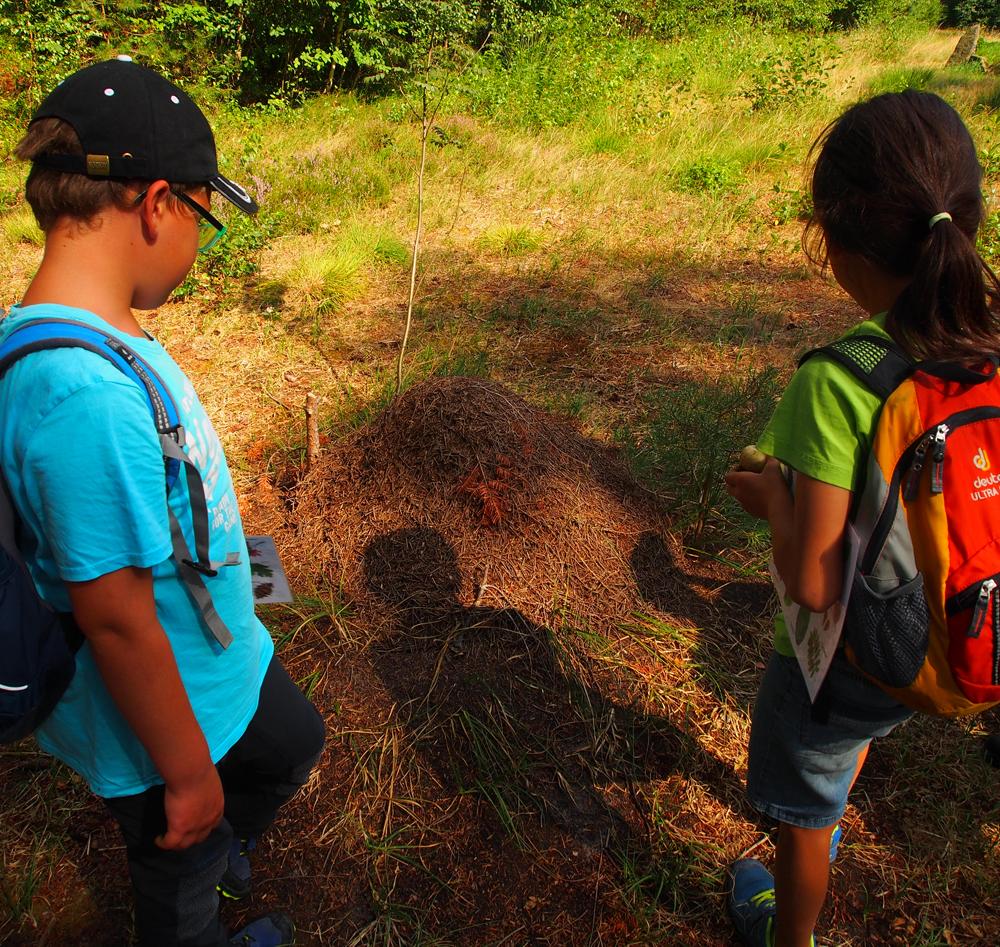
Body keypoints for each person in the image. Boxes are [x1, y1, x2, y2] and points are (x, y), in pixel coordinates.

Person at [1, 59, 325, 947]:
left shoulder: (103, 334)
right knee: (177, 872)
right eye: (203, 216)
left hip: (219, 663)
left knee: (294, 741)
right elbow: (114, 621)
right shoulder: (83, 397)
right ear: (157, 205)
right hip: (160, 724)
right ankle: (200, 871)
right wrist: (186, 774)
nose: (198, 242)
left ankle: (221, 843)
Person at [722, 89, 1000, 947]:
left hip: (842, 663)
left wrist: (774, 498)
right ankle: (835, 793)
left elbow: (812, 583)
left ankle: (789, 930)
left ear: (836, 242)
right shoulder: (987, 337)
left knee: (798, 825)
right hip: (949, 623)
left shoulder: (840, 382)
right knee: (858, 738)